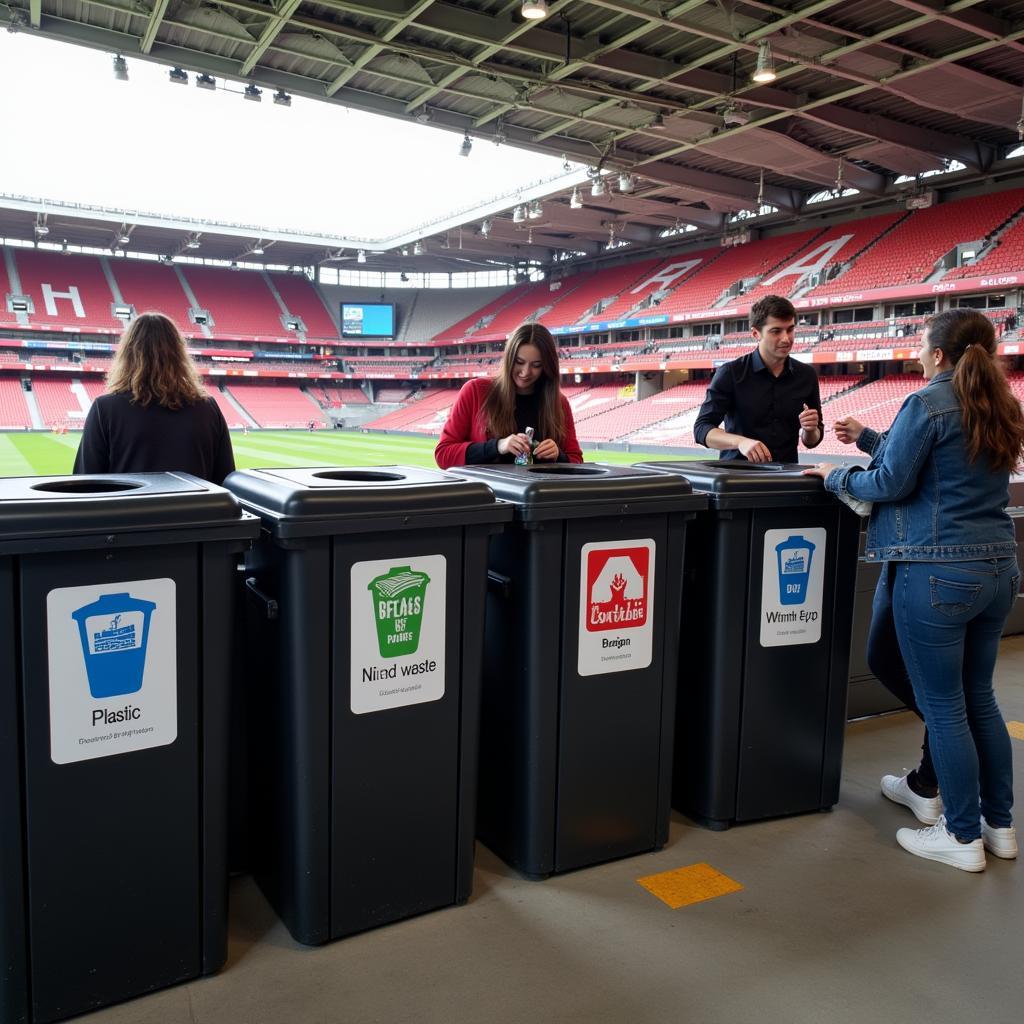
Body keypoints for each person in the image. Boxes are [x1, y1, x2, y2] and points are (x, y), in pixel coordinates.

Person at [805, 308, 1023, 871]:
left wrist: (832, 475)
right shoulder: (999, 404)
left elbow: (891, 483)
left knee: (947, 708)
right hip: (998, 567)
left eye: (923, 346)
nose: (919, 354)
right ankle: (998, 827)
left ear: (940, 355)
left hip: (936, 570)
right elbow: (940, 467)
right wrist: (872, 439)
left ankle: (960, 835)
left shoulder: (927, 401)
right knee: (979, 697)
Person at [73, 312, 236, 485]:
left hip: (129, 511)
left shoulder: (104, 409)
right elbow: (225, 481)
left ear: (128, 354)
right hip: (197, 512)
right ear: (179, 353)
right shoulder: (208, 408)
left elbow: (85, 484)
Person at [693, 294, 822, 463]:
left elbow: (812, 441)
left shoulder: (807, 375)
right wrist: (740, 442)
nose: (786, 338)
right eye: (776, 331)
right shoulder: (731, 373)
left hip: (787, 480)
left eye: (790, 329)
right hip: (738, 480)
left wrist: (810, 430)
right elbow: (702, 429)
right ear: (755, 333)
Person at [434, 322, 583, 469]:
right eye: (519, 362)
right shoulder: (475, 391)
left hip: (539, 492)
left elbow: (577, 462)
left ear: (546, 366)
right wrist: (498, 446)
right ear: (509, 359)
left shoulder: (559, 403)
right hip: (487, 492)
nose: (525, 372)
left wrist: (559, 455)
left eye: (536, 365)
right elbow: (443, 455)